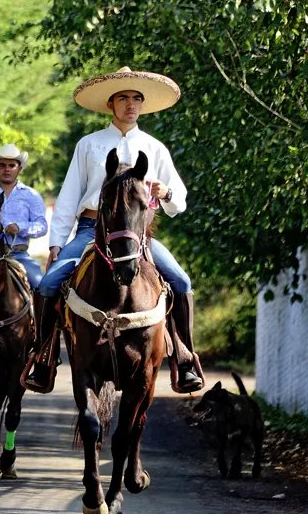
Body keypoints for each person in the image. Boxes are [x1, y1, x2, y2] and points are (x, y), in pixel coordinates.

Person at [22, 66, 203, 394]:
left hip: (139, 236)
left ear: (142, 105)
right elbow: (69, 197)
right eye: (123, 98)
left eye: (136, 99)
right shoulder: (88, 145)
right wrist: (56, 244)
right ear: (111, 104)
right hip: (92, 230)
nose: (130, 104)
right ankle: (44, 356)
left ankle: (184, 356)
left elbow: (179, 203)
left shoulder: (155, 148)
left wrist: (166, 194)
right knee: (49, 283)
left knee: (181, 280)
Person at [0, 143, 47, 288]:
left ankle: (41, 311)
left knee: (39, 283)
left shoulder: (31, 195)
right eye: (3, 165)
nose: (7, 169)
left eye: (11, 165)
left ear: (19, 168)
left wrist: (19, 227)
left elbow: (42, 226)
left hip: (18, 254)